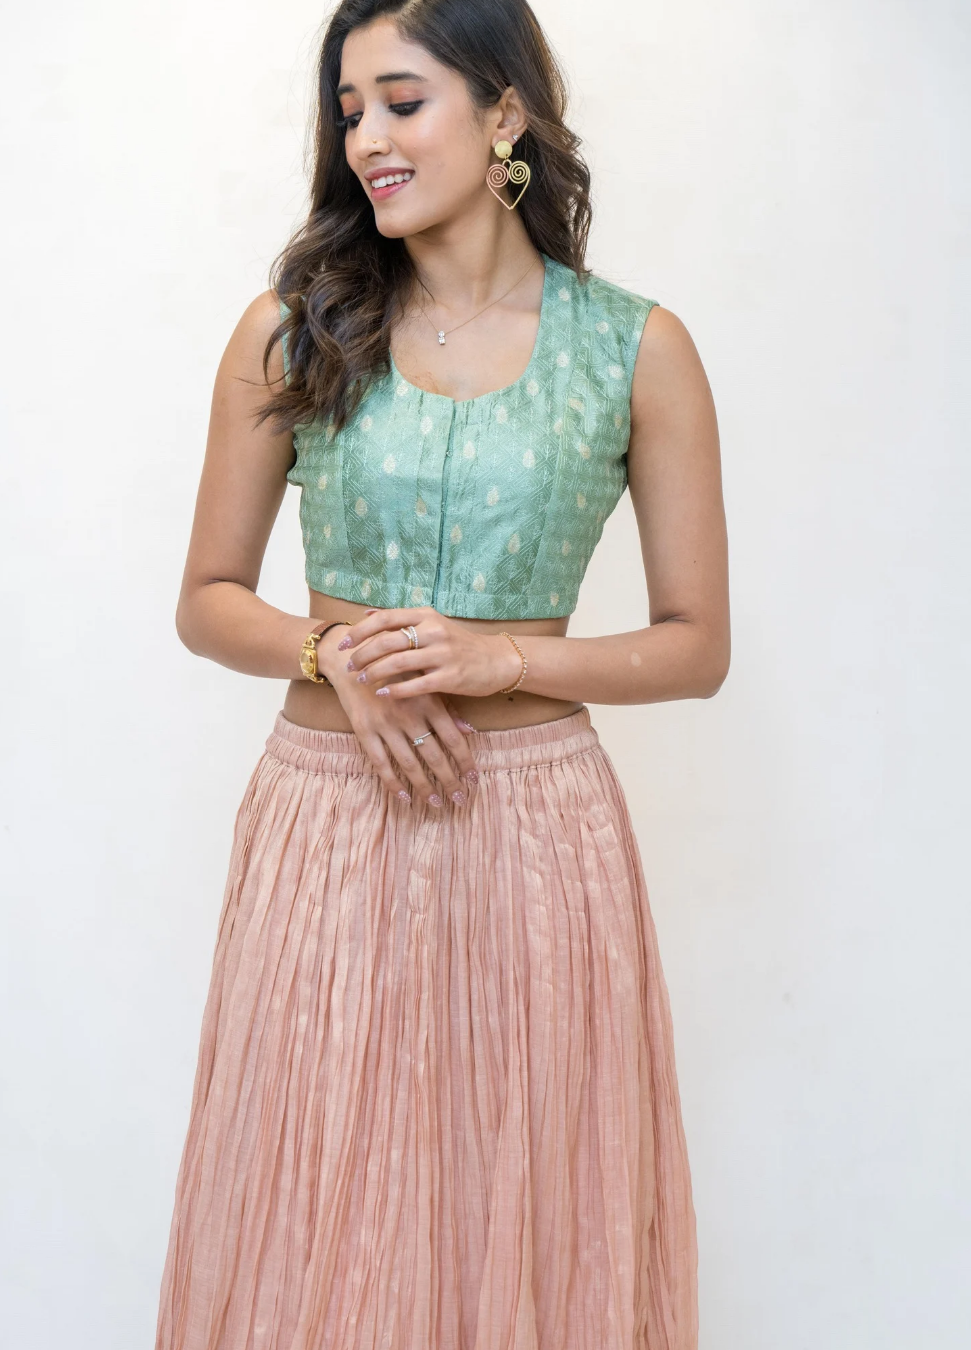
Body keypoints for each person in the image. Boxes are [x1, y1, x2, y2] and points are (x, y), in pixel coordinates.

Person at [154, 1, 728, 1347]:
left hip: (538, 832)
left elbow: (696, 643)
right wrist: (330, 656)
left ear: (505, 111)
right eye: (349, 110)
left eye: (402, 102)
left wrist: (503, 656)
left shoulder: (635, 349)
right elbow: (206, 600)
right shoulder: (293, 330)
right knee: (313, 1211)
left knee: (524, 1208)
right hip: (327, 816)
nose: (368, 139)